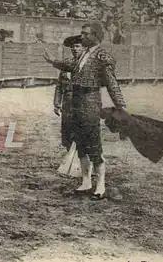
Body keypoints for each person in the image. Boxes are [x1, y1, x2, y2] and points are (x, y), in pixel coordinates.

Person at [44, 21, 127, 200]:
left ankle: (101, 185)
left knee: (93, 143)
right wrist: (53, 61)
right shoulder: (84, 55)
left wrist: (120, 105)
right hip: (76, 102)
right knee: (80, 142)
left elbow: (112, 83)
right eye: (81, 34)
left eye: (85, 34)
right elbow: (71, 66)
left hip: (90, 101)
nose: (81, 36)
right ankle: (86, 181)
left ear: (95, 36)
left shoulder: (101, 56)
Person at [53, 35, 84, 151]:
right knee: (67, 131)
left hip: (82, 103)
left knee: (81, 132)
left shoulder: (87, 65)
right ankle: (69, 157)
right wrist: (56, 103)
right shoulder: (66, 63)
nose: (74, 49)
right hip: (67, 104)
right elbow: (59, 85)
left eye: (77, 46)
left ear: (83, 48)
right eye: (73, 47)